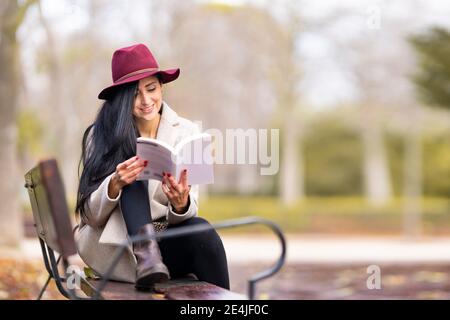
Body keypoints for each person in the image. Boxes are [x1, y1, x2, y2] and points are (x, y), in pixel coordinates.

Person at [75, 43, 229, 291]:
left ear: (161, 87)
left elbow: (190, 213)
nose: (146, 100)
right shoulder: (100, 134)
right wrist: (114, 184)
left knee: (203, 231)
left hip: (166, 240)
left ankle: (226, 304)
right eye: (135, 94)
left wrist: (181, 203)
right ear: (122, 98)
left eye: (151, 88)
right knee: (133, 172)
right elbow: (89, 217)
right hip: (117, 245)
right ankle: (147, 257)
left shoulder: (187, 132)